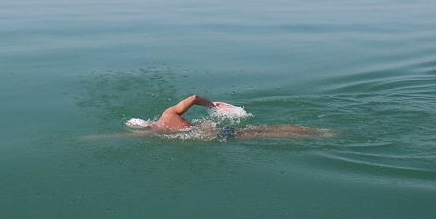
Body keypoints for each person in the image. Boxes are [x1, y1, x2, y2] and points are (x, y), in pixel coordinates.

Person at [127, 94, 334, 140]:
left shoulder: (164, 131)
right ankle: (313, 132)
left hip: (220, 135)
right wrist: (210, 105)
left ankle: (315, 133)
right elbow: (193, 97)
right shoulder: (168, 115)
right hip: (218, 132)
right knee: (267, 130)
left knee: (267, 133)